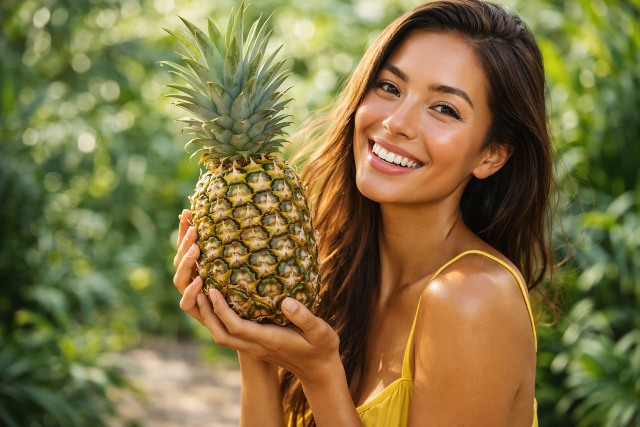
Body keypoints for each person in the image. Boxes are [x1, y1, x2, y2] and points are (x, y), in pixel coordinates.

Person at [172, 0, 561, 425]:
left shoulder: (472, 300)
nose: (397, 122)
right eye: (390, 87)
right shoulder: (334, 270)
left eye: (444, 108)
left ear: (491, 155)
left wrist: (322, 375)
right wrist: (256, 344)